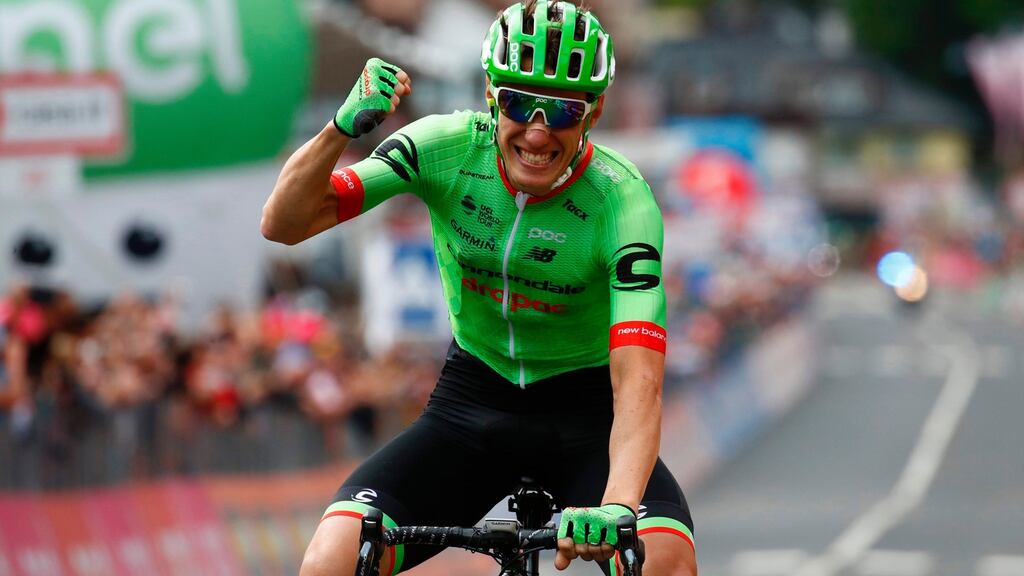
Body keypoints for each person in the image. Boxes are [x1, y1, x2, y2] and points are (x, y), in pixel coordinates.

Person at [261, 1, 697, 574]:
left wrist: (616, 506)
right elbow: (284, 223)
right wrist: (338, 131)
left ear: (593, 113)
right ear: (491, 95)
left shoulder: (623, 201)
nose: (538, 131)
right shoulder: (444, 148)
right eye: (518, 103)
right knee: (330, 560)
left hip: (589, 421)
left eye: (563, 111)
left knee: (665, 562)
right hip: (470, 410)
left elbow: (639, 376)